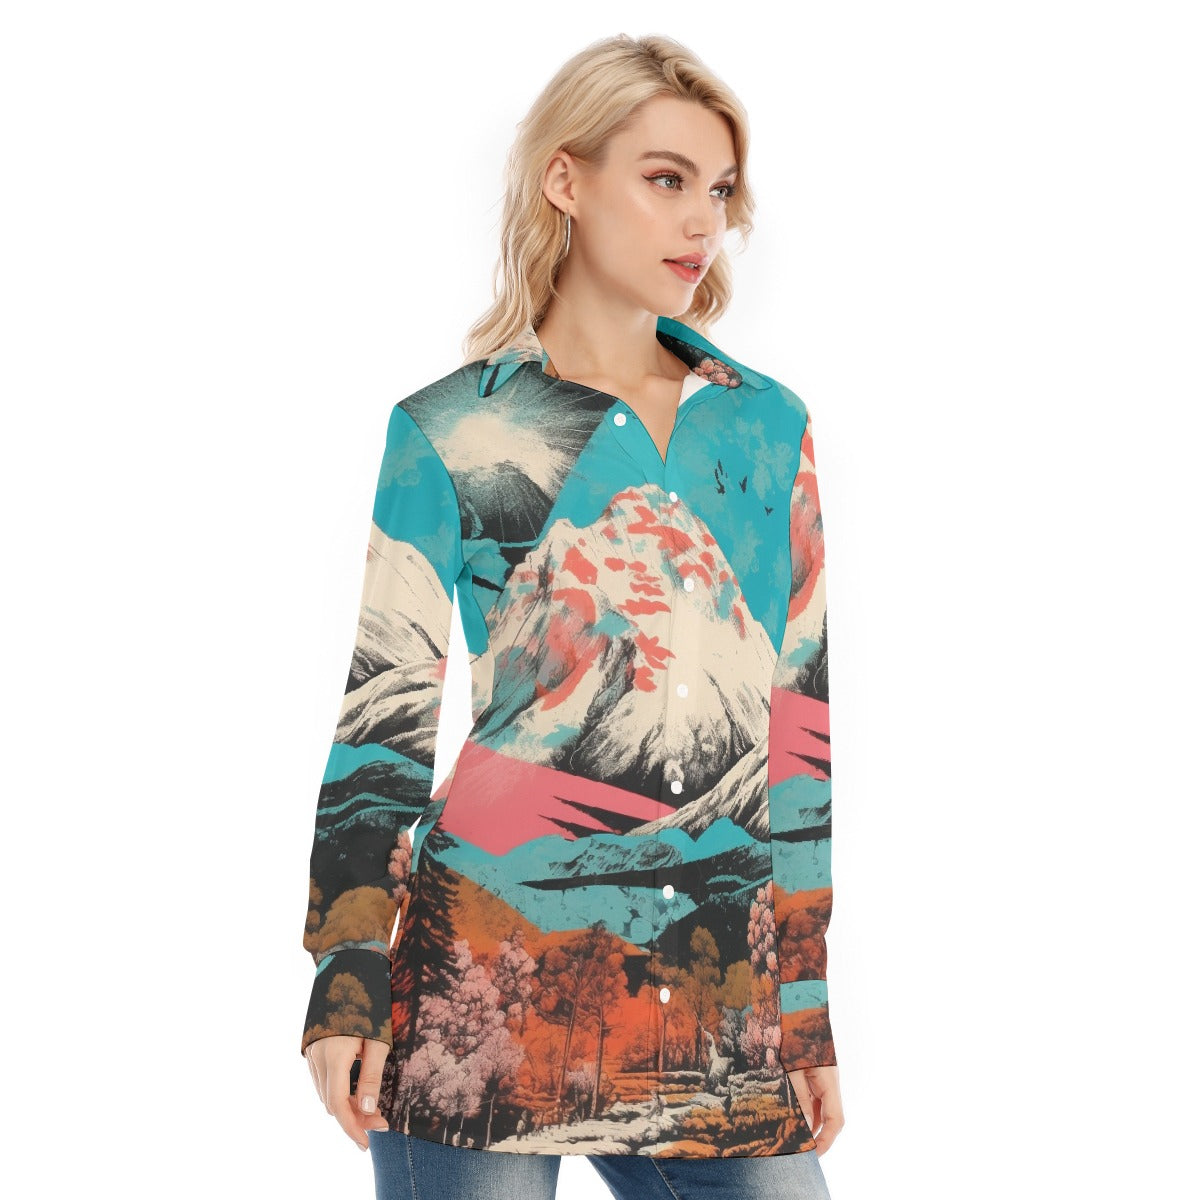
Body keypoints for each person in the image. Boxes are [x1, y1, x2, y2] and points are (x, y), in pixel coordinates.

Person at [300, 32, 845, 1200]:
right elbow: (382, 721)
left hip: (716, 1011)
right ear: (566, 179)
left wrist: (802, 1004)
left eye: (719, 190)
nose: (701, 220)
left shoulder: (767, 428)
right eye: (665, 179)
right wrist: (346, 976)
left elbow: (799, 733)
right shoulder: (453, 431)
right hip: (479, 994)